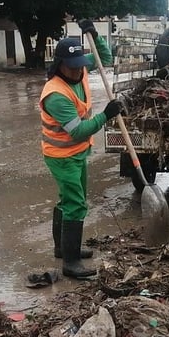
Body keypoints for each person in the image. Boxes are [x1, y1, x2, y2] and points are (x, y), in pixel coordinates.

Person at [40, 19, 124, 279]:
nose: (79, 72)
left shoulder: (80, 71)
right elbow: (76, 130)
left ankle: (61, 249)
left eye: (80, 67)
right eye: (74, 68)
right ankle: (71, 263)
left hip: (77, 152)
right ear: (61, 64)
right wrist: (106, 116)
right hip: (62, 156)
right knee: (76, 205)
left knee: (69, 201)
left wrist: (95, 35)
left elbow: (105, 59)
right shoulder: (55, 93)